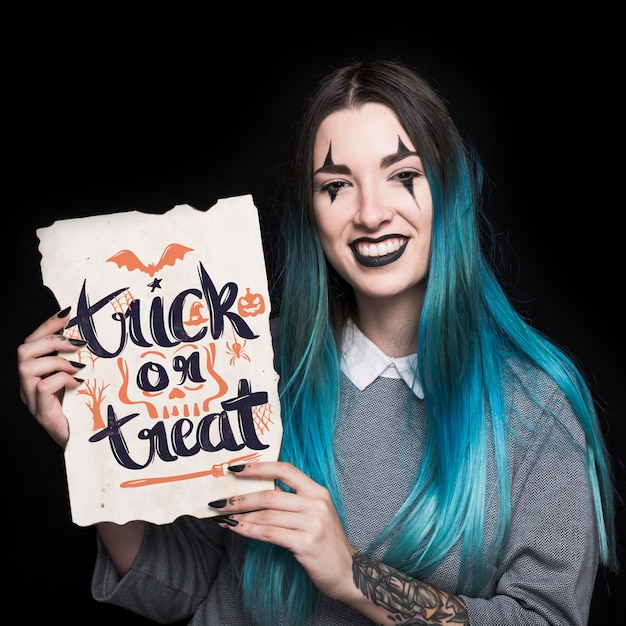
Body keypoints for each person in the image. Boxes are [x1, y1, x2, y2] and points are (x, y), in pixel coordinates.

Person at [17, 59, 618, 625]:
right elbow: (183, 587)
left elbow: (544, 618)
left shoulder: (534, 409)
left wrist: (353, 575)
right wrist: (91, 449)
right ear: (312, 212)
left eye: (403, 176)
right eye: (337, 187)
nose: (372, 213)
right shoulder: (248, 366)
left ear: (449, 190)